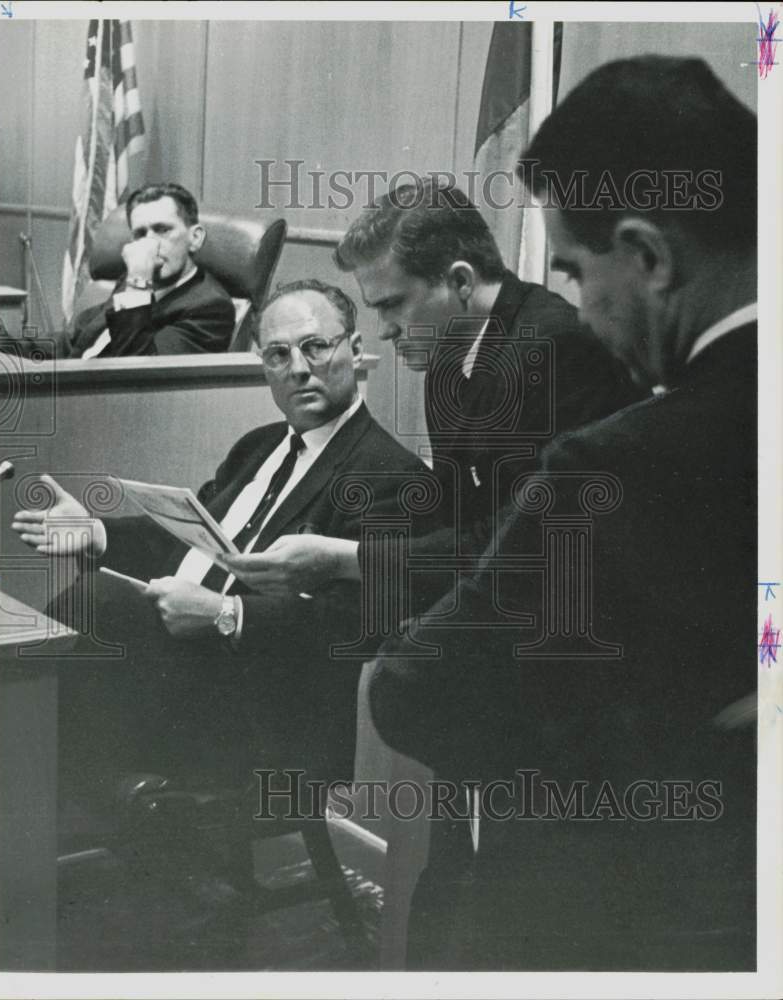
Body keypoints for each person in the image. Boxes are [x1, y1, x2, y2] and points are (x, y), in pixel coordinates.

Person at [369, 56, 758, 970]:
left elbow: (417, 690)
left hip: (652, 912)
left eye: (578, 272)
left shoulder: (616, 462)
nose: (581, 308)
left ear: (649, 256)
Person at [12, 279, 433, 820]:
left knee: (91, 614)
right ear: (264, 368)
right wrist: (99, 533)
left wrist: (226, 615)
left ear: (354, 350)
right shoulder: (257, 446)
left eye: (315, 346)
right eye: (279, 354)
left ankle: (24, 810)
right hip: (185, 677)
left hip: (269, 714)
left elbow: (359, 627)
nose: (299, 368)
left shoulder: (391, 475)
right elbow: (191, 544)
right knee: (56, 643)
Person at [222, 177, 641, 607]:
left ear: (460, 281)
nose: (384, 330)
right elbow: (456, 524)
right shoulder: (446, 357)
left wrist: (347, 559)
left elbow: (526, 547)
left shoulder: (554, 351)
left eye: (392, 304)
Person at [15, 182, 234, 359]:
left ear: (194, 238)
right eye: (140, 233)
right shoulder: (129, 282)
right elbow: (74, 343)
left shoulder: (210, 307)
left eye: (162, 230)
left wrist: (139, 281)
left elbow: (135, 373)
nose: (150, 244)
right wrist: (3, 348)